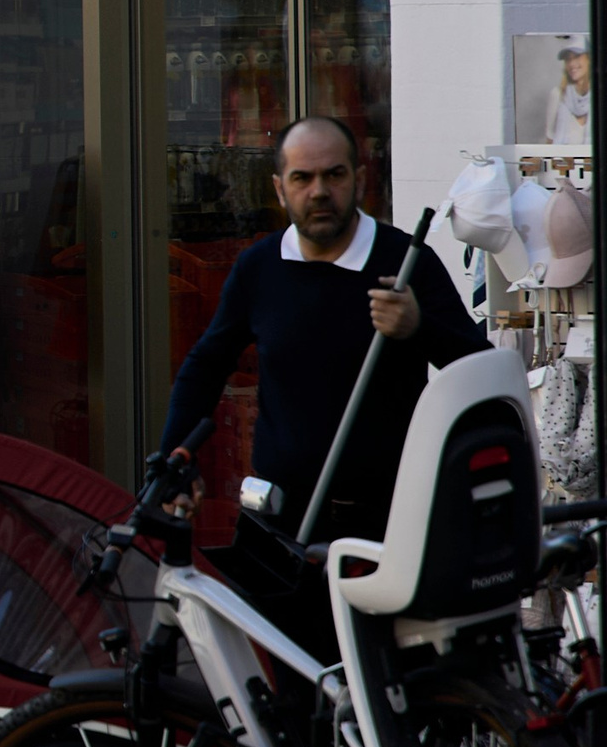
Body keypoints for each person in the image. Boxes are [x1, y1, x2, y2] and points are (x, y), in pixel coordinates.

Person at [161, 116, 485, 630]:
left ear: (360, 176)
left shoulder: (406, 263)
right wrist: (176, 454)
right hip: (281, 527)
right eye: (302, 178)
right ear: (279, 187)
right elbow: (205, 365)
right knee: (288, 690)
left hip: (388, 527)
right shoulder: (259, 268)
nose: (319, 191)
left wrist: (419, 328)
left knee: (388, 691)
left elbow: (477, 369)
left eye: (334, 176)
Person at [546, 45, 591, 147]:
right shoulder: (557, 94)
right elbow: (549, 139)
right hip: (563, 162)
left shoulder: (600, 97)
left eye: (577, 57)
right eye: (568, 59)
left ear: (589, 59)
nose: (572, 64)